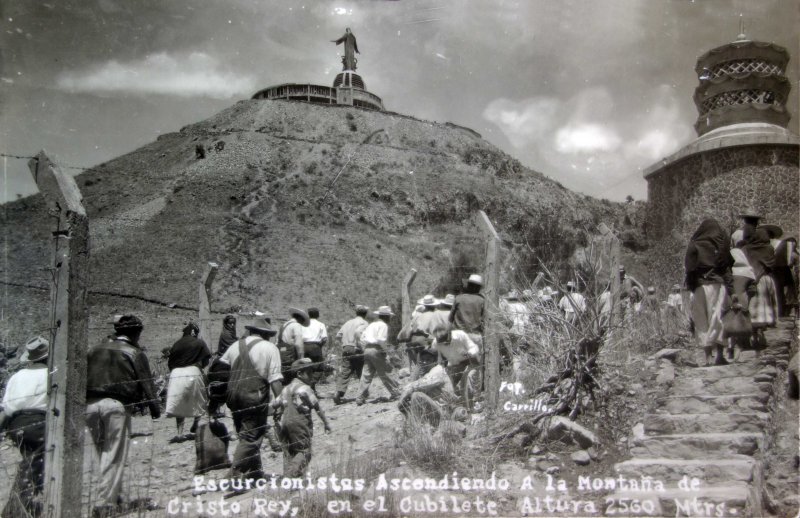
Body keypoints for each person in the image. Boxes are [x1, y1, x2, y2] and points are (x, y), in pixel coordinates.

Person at [85, 315, 161, 518]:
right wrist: (155, 407)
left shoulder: (94, 349)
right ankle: (104, 504)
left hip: (90, 404)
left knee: (103, 452)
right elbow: (146, 381)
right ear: (136, 333)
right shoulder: (134, 352)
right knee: (114, 454)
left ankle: (114, 495)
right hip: (117, 405)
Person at [221, 318, 284, 485]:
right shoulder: (270, 348)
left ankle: (255, 473)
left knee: (245, 433)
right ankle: (234, 476)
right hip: (254, 395)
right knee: (251, 436)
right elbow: (275, 380)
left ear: (251, 331)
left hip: (233, 395)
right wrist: (282, 401)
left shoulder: (235, 346)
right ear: (266, 334)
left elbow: (221, 369)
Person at [0, 337, 49, 517]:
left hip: (16, 423)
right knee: (34, 463)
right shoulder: (51, 373)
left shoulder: (17, 376)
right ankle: (16, 507)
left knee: (32, 460)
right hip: (38, 422)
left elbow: (7, 406)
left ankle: (30, 501)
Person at [271, 358, 332, 478]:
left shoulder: (285, 389)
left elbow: (274, 404)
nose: (312, 376)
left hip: (285, 423)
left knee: (290, 451)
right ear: (299, 374)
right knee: (304, 451)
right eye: (309, 373)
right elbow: (317, 407)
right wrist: (326, 423)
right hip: (300, 423)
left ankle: (292, 477)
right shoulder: (305, 389)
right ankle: (290, 475)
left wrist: (277, 413)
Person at [685, 219, 733, 366]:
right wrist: (731, 289)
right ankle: (719, 356)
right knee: (718, 319)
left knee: (701, 320)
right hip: (717, 285)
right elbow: (727, 268)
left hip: (699, 286)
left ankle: (707, 358)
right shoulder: (721, 246)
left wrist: (693, 286)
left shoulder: (694, 244)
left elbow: (689, 268)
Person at [165, 322, 211, 443]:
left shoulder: (176, 344)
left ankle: (180, 433)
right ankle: (197, 426)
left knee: (179, 402)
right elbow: (206, 359)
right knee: (199, 399)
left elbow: (170, 363)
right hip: (193, 371)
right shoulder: (199, 342)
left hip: (176, 374)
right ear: (195, 332)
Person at [741, 225, 779, 349]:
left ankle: (753, 334)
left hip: (749, 281)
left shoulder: (745, 248)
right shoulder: (769, 249)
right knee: (764, 307)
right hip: (764, 280)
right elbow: (772, 265)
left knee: (752, 308)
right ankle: (761, 332)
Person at [356, 306, 401, 406]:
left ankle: (360, 397)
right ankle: (395, 392)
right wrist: (385, 350)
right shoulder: (383, 325)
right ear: (386, 316)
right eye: (389, 316)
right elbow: (381, 339)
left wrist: (366, 348)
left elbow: (362, 338)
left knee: (366, 374)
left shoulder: (371, 325)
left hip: (367, 349)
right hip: (377, 349)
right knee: (385, 371)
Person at [398, 364, 466, 429]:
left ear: (433, 361)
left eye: (427, 359)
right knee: (411, 398)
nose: (423, 363)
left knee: (416, 396)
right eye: (422, 359)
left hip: (444, 412)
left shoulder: (438, 371)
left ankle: (419, 427)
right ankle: (415, 424)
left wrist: (402, 398)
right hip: (439, 410)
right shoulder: (433, 372)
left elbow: (416, 386)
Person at [397, 294, 449, 380]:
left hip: (413, 340)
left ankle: (417, 378)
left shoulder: (418, 315)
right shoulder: (435, 315)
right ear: (434, 305)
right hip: (425, 340)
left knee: (420, 363)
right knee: (438, 352)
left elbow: (410, 327)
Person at [333, 305, 369, 405]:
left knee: (345, 372)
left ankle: (338, 393)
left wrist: (344, 344)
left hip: (346, 348)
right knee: (361, 371)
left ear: (356, 313)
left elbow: (338, 336)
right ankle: (363, 393)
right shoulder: (364, 323)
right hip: (357, 348)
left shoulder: (348, 323)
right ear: (365, 314)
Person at [449, 274, 485, 351]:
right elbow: (485, 320)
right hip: (475, 335)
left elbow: (450, 319)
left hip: (458, 335)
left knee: (456, 361)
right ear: (478, 288)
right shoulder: (482, 301)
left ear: (468, 285)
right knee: (475, 362)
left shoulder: (458, 298)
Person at [277, 308, 309, 384]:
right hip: (291, 355)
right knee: (292, 376)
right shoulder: (296, 325)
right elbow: (298, 343)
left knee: (283, 374)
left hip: (281, 354)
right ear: (300, 318)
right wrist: (301, 358)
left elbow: (277, 341)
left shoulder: (283, 325)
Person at [302, 307, 328, 389]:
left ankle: (307, 386)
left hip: (304, 346)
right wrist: (320, 345)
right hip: (315, 346)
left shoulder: (303, 324)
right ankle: (312, 384)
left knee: (306, 367)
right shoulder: (321, 324)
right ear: (318, 315)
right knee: (319, 367)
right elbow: (324, 338)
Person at [773, 236, 798, 317]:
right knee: (788, 293)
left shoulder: (780, 251)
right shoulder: (793, 254)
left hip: (788, 274)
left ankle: (786, 310)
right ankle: (786, 310)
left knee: (786, 293)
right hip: (787, 274)